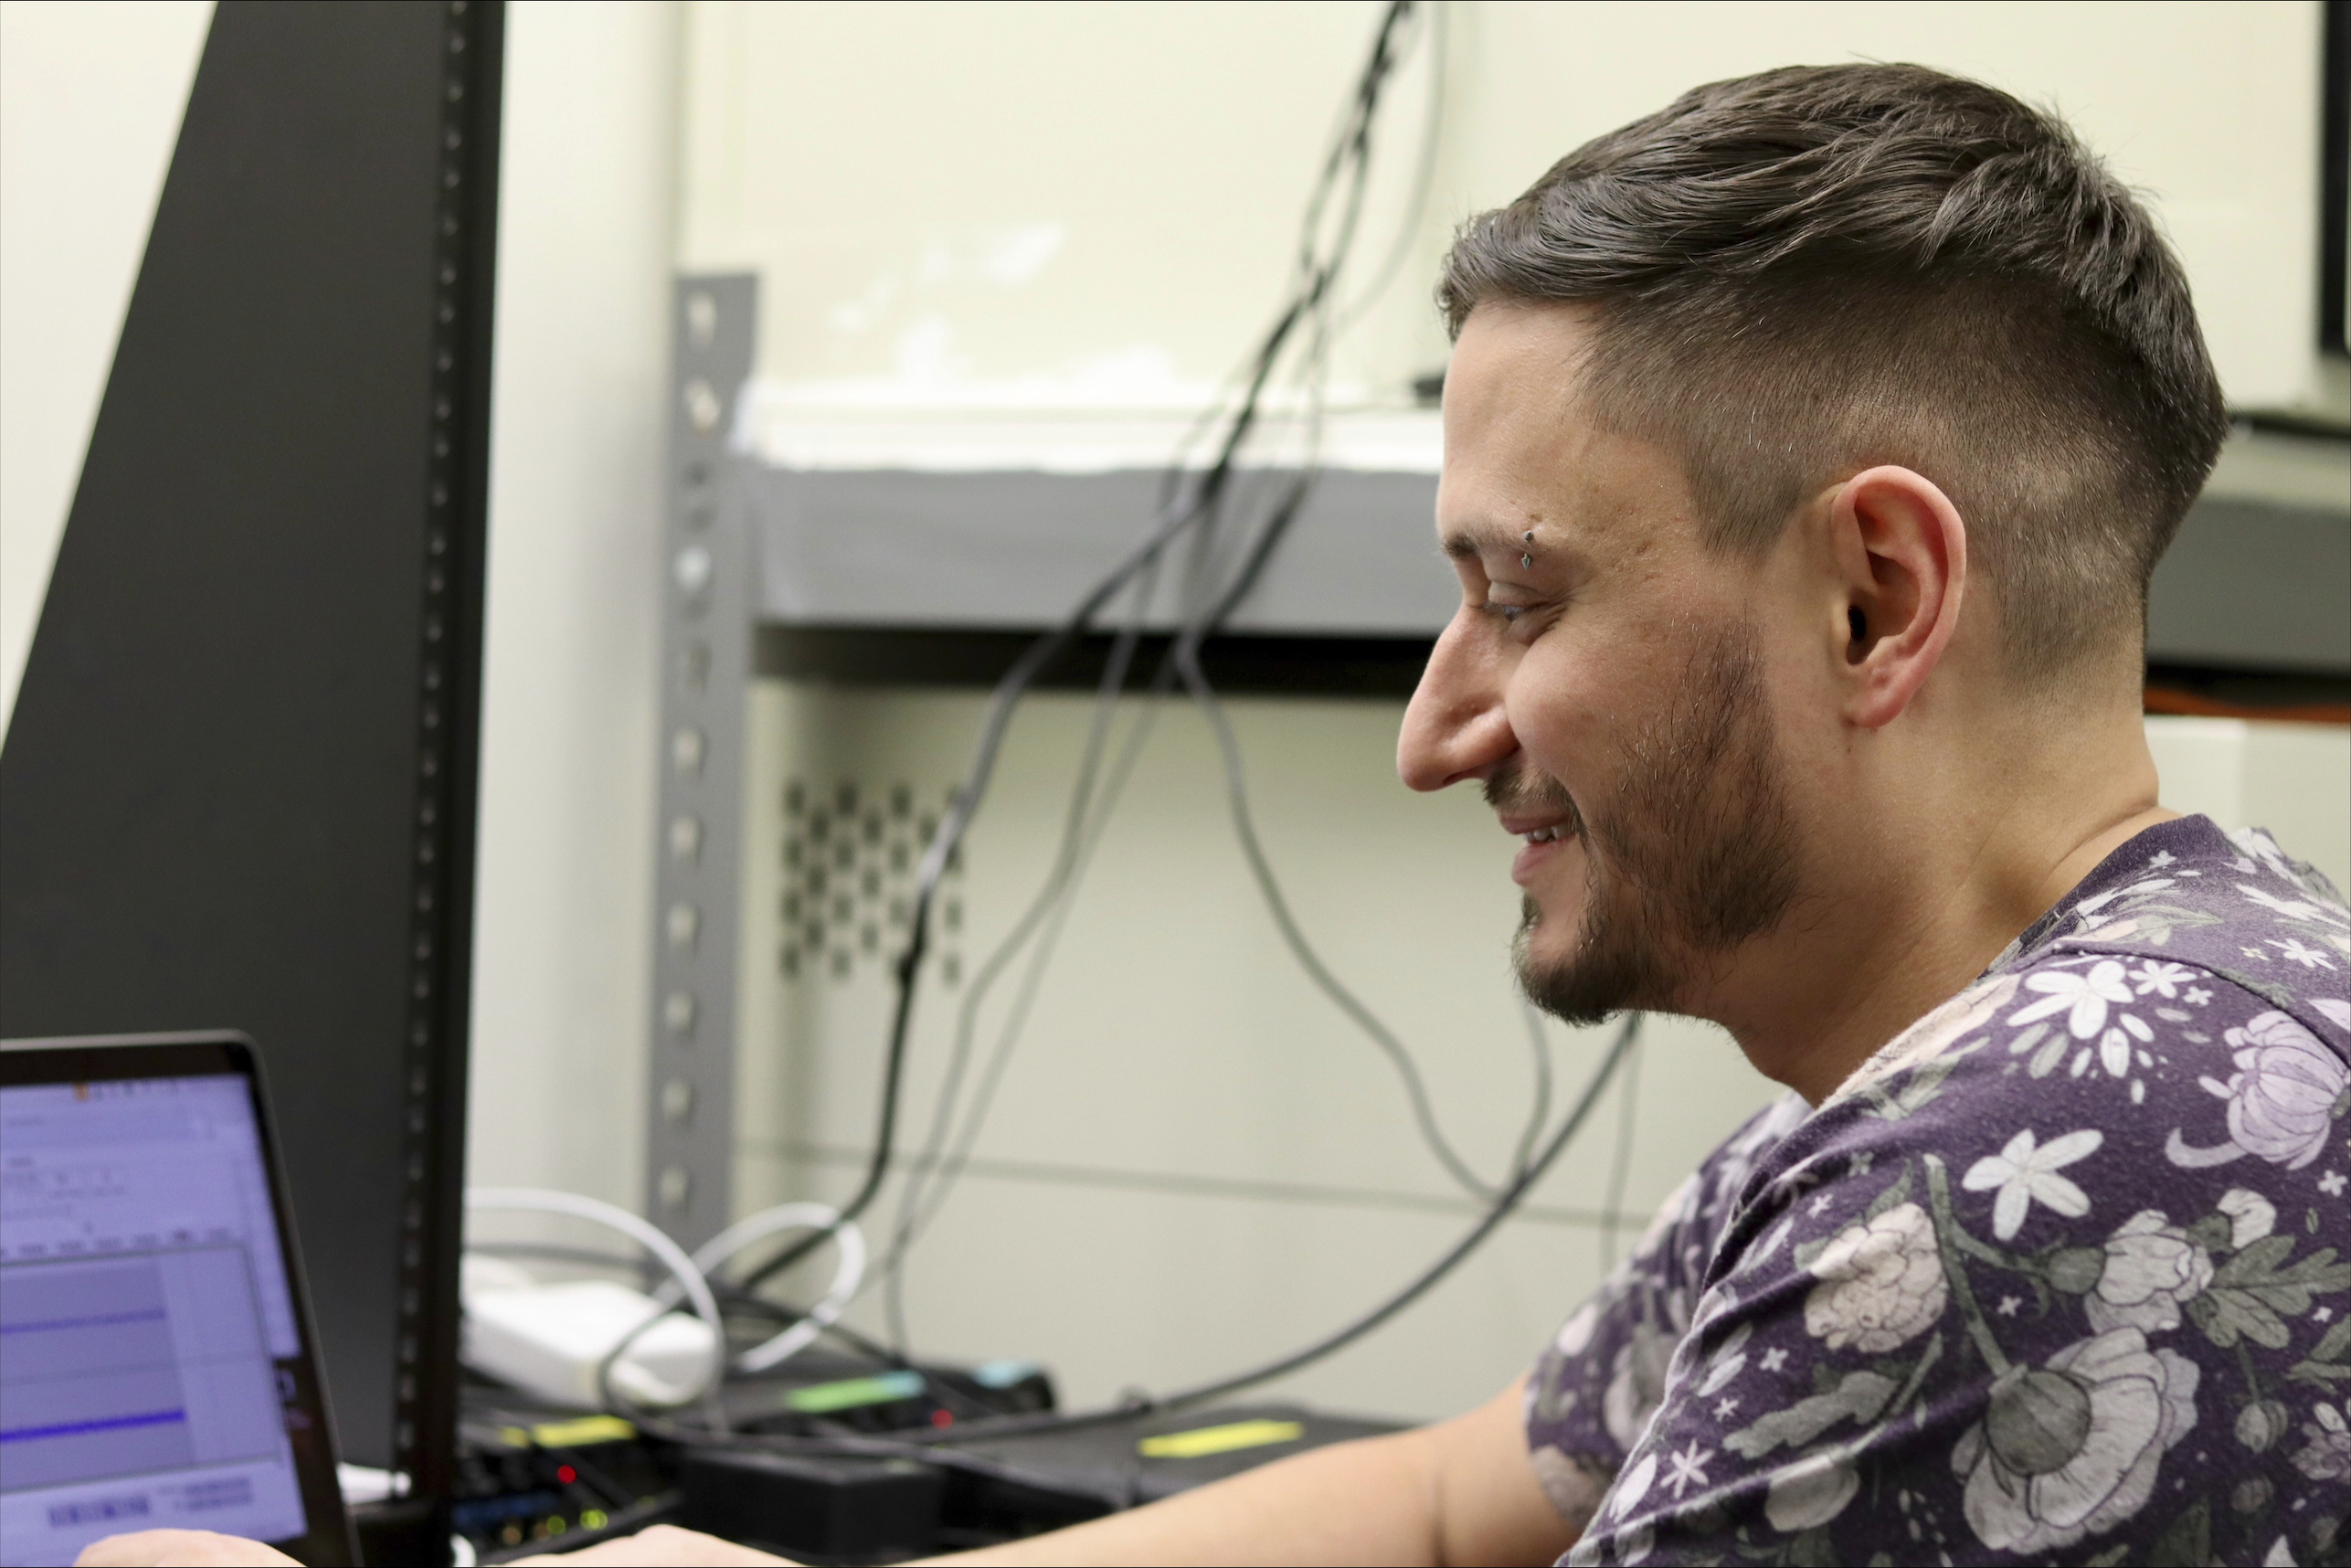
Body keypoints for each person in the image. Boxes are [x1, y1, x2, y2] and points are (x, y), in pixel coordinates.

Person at [82, 59, 2350, 1568]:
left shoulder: (2005, 1190)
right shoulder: (2129, 1027)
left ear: (1875, 596)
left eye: (1515, 594)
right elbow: (1467, 1500)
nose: (1439, 727)